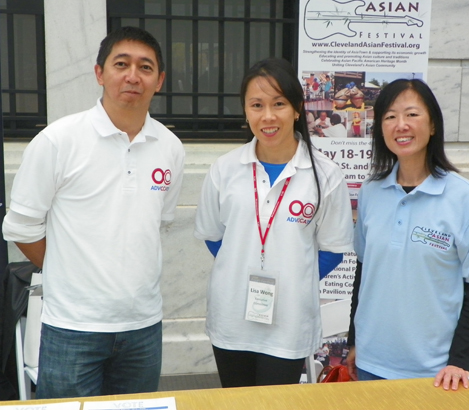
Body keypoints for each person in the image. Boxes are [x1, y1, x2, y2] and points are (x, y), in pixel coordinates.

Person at [2, 26, 185, 398]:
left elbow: (157, 224)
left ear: (159, 80)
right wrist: (69, 268)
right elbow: (21, 228)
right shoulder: (58, 141)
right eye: (122, 64)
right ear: (100, 73)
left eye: (145, 67)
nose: (133, 75)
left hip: (143, 328)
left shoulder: (171, 148)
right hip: (72, 328)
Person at [194, 58, 353, 387]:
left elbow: (334, 249)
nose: (267, 116)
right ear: (246, 111)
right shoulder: (224, 170)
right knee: (236, 404)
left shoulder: (326, 175)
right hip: (231, 317)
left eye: (278, 103)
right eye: (256, 105)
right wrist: (244, 269)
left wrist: (290, 278)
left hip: (289, 321)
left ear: (297, 109)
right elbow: (213, 237)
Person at [346, 79, 469, 391]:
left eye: (412, 114)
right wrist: (355, 341)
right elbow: (364, 273)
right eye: (390, 117)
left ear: (432, 126)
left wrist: (460, 361)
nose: (400, 125)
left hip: (435, 372)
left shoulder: (466, 198)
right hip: (370, 364)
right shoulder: (371, 192)